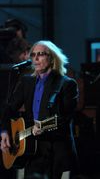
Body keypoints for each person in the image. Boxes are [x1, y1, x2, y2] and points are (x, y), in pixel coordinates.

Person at [0, 40, 79, 179]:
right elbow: (9, 109)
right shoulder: (26, 82)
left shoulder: (66, 84)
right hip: (33, 151)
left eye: (41, 54)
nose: (35, 58)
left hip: (57, 151)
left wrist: (43, 126)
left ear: (52, 58)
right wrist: (5, 131)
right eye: (33, 55)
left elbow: (65, 119)